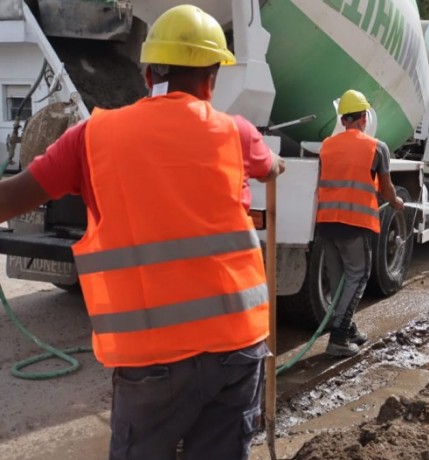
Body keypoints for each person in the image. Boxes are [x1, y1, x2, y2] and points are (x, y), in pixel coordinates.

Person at [0, 5, 286, 459]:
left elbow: (11, 198)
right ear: (212, 78)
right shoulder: (236, 133)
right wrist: (273, 164)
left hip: (152, 361)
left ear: (148, 71)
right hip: (237, 348)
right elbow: (272, 167)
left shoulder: (92, 136)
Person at [316, 89, 404, 358]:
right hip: (356, 223)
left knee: (339, 280)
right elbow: (387, 191)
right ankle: (339, 339)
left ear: (343, 120)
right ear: (365, 117)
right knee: (358, 276)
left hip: (327, 223)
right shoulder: (377, 147)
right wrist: (397, 202)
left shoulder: (327, 146)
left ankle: (349, 328)